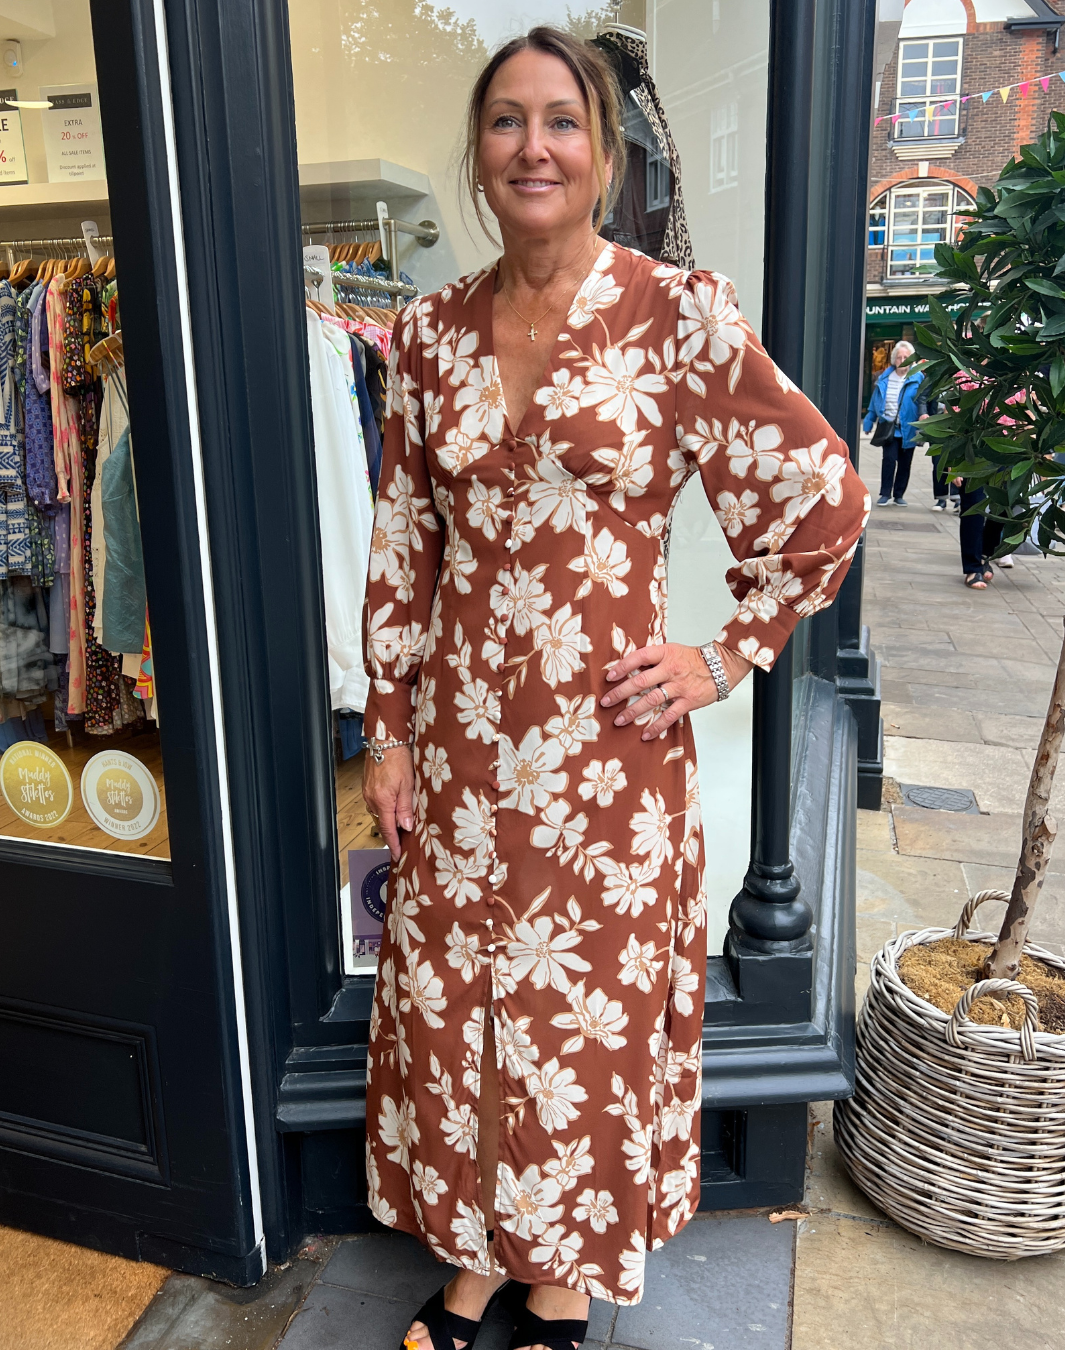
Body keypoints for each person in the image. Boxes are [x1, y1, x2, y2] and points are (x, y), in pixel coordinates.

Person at [360, 27, 868, 1350]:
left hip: (605, 759)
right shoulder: (424, 335)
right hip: (464, 753)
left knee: (577, 1021)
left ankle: (561, 1278)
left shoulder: (676, 314)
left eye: (563, 121)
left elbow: (821, 495)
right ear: (477, 155)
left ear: (602, 153)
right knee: (459, 1007)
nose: (536, 145)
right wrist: (391, 721)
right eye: (508, 121)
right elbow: (405, 536)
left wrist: (725, 651)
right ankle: (474, 1259)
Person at [862, 340, 923, 507]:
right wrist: (869, 421)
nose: (902, 360)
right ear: (893, 359)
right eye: (899, 357)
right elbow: (876, 400)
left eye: (906, 357)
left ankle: (898, 494)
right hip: (889, 427)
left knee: (905, 463)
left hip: (909, 428)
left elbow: (923, 402)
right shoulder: (884, 378)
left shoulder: (918, 378)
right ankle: (885, 493)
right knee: (888, 459)